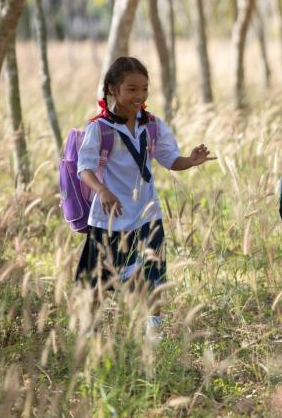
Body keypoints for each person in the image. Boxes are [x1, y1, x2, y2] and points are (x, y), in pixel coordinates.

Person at [75, 57, 215, 342]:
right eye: (131, 89)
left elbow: (169, 159)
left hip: (146, 214)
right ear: (113, 89)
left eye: (144, 89)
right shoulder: (99, 128)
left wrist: (190, 160)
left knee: (153, 273)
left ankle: (154, 329)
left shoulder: (152, 125)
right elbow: (84, 169)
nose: (139, 96)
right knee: (99, 279)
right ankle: (89, 330)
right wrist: (102, 190)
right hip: (109, 217)